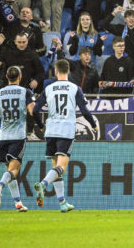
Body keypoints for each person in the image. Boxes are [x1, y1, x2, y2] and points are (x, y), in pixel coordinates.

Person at [32, 59, 98, 212]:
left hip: (51, 130)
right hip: (66, 130)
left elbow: (35, 110)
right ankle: (43, 184)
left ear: (56, 71)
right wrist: (93, 125)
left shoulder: (48, 88)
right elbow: (84, 110)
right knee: (62, 167)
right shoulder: (74, 88)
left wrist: (41, 126)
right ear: (68, 71)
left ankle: (62, 203)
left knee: (55, 167)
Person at [0, 66, 35, 212]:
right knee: (14, 169)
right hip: (18, 136)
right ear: (19, 76)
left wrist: (0, 117)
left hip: (3, 136)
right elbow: (32, 110)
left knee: (10, 169)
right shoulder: (25, 92)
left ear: (7, 76)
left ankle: (18, 204)